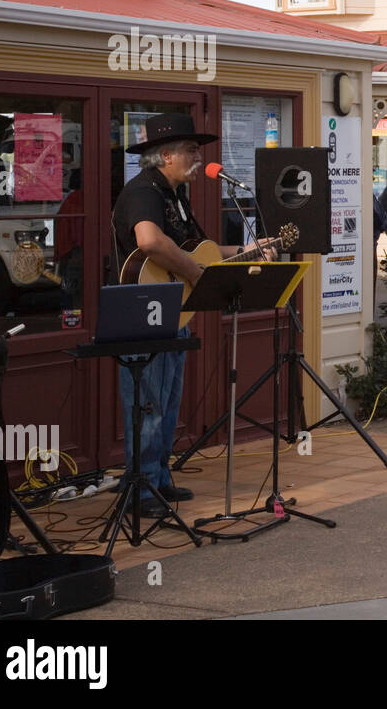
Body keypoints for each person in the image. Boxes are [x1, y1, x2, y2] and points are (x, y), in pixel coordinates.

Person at [112, 113, 252, 516]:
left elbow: (202, 249)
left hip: (170, 310)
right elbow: (150, 241)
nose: (197, 155)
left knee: (167, 400)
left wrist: (252, 248)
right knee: (148, 403)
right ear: (166, 155)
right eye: (191, 149)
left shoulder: (175, 197)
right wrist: (194, 273)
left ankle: (156, 477)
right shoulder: (144, 191)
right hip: (142, 310)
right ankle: (139, 491)